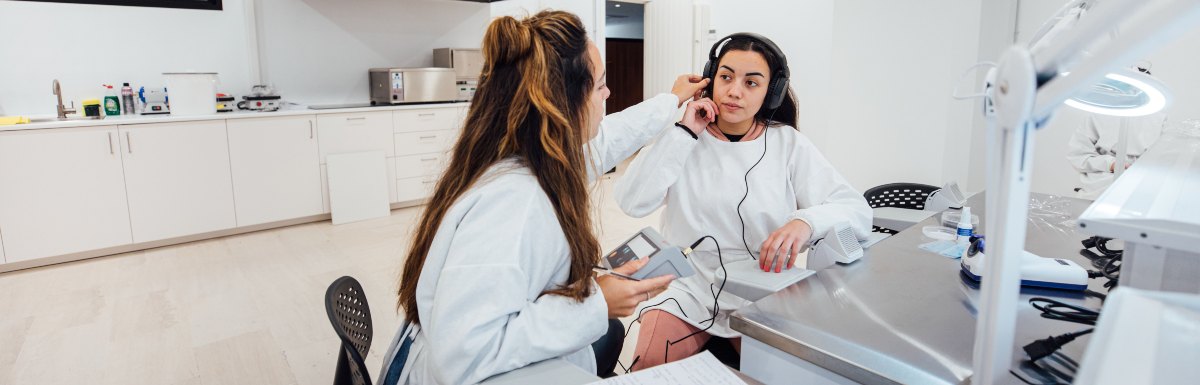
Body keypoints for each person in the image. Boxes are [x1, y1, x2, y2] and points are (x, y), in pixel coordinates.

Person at [376, 11, 712, 385]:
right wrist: (598, 302)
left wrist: (671, 100)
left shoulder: (530, 155)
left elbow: (612, 135)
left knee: (608, 336)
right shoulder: (514, 203)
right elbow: (464, 353)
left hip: (467, 355)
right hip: (458, 372)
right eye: (601, 85)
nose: (609, 94)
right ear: (565, 101)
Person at [613, 33, 872, 370]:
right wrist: (683, 132)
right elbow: (632, 202)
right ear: (711, 78)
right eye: (726, 77)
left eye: (751, 83)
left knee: (782, 374)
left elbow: (857, 211)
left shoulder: (788, 144)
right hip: (689, 287)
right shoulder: (683, 136)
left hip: (762, 289)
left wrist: (804, 222)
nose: (734, 91)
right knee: (648, 365)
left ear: (771, 92)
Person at [1066, 66, 1166, 200]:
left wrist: (1139, 169)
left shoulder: (1159, 118)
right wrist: (1111, 164)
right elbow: (1078, 156)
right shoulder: (1097, 114)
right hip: (1099, 188)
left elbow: (1164, 159)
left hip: (1141, 188)